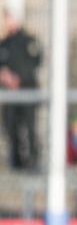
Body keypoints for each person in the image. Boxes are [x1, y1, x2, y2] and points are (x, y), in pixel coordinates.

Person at [0, 9, 43, 170]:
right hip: (10, 94)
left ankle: (33, 160)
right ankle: (16, 162)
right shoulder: (4, 43)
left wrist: (20, 78)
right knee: (11, 127)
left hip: (28, 91)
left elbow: (36, 62)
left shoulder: (29, 40)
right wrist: (4, 76)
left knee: (30, 127)